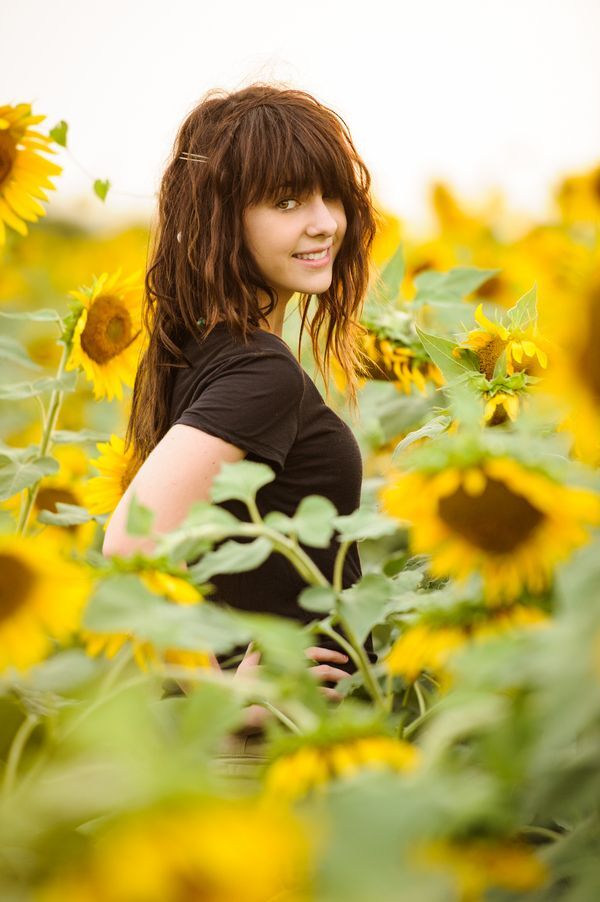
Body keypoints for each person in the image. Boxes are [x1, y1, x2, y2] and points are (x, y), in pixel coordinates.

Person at [102, 82, 379, 754]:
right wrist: (223, 702)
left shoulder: (204, 346)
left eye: (329, 194)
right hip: (273, 754)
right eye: (286, 201)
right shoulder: (262, 374)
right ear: (225, 220)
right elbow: (132, 546)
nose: (324, 222)